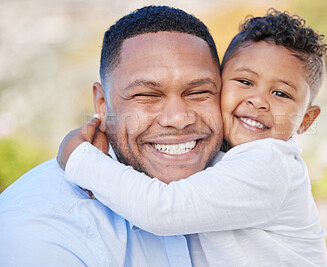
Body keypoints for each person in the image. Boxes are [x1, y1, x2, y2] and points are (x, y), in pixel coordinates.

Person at [58, 9, 327, 266]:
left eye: (281, 94)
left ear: (306, 119)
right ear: (219, 84)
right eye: (245, 82)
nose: (258, 101)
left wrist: (82, 159)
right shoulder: (224, 148)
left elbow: (161, 210)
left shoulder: (269, 166)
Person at [0, 6, 224, 266]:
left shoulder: (252, 180)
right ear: (103, 104)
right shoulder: (42, 226)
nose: (177, 118)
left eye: (199, 92)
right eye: (147, 95)